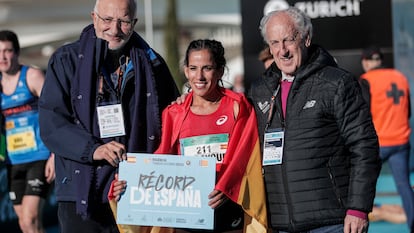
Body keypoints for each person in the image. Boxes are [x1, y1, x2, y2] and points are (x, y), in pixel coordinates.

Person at [37, 0, 180, 232]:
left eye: (123, 21)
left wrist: (186, 105)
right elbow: (52, 124)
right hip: (82, 191)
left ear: (134, 23)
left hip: (137, 190)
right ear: (93, 17)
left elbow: (171, 117)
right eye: (107, 20)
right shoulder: (66, 60)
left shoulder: (154, 64)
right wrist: (93, 149)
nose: (114, 29)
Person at [247, 7, 381, 233]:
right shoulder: (259, 91)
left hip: (333, 223)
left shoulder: (336, 83)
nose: (282, 51)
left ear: (306, 39)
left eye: (289, 40)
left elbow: (364, 146)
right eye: (274, 43)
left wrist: (358, 208)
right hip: (280, 225)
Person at [111, 39, 268, 233]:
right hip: (187, 218)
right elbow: (161, 161)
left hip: (228, 211)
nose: (199, 76)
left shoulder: (238, 106)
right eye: (193, 68)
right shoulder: (174, 113)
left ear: (219, 71)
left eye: (207, 68)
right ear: (186, 71)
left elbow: (246, 156)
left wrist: (228, 187)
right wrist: (130, 182)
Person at [0, 30, 55, 233]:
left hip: (39, 157)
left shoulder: (32, 76)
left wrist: (54, 155)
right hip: (13, 162)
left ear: (16, 52)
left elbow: (55, 111)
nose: (2, 57)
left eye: (7, 51)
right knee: (24, 223)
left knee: (31, 218)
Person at [360, 45, 414, 232]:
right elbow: (408, 112)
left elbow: (362, 116)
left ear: (366, 62)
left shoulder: (366, 80)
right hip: (401, 141)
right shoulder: (400, 76)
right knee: (404, 186)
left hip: (379, 144)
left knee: (363, 185)